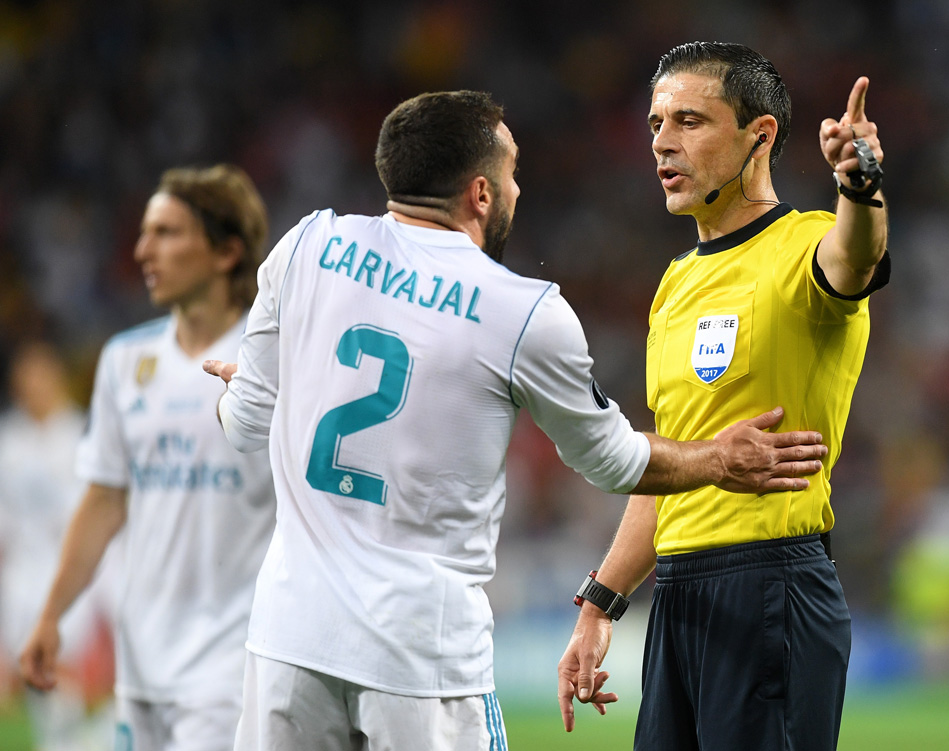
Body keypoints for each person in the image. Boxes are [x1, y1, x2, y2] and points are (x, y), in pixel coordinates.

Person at [203, 89, 828, 751]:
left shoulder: (306, 245)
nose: (517, 190)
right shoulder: (520, 309)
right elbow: (614, 462)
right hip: (420, 657)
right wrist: (719, 459)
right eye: (512, 174)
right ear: (480, 193)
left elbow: (245, 423)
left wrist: (233, 393)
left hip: (285, 643)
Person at [557, 42, 890, 751]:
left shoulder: (805, 244)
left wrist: (860, 185)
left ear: (759, 134)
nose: (662, 144)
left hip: (772, 586)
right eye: (654, 124)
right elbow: (668, 464)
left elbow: (855, 256)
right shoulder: (675, 283)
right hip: (679, 596)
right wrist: (601, 601)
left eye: (689, 121)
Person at [20, 165, 277, 751]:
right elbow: (105, 500)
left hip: (234, 657)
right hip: (143, 659)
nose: (142, 250)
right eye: (144, 232)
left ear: (226, 251)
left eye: (167, 233)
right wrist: (52, 614)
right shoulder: (123, 361)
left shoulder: (270, 360)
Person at [0, 341, 114, 751]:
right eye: (24, 379)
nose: (32, 386)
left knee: (68, 675)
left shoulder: (81, 433)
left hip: (74, 573)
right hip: (22, 580)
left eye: (39, 376)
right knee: (36, 681)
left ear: (56, 378)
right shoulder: (9, 441)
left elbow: (101, 517)